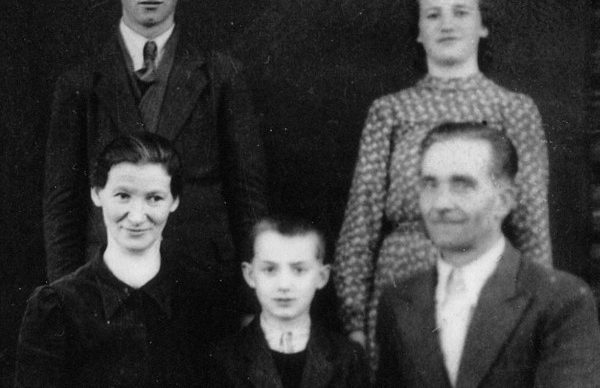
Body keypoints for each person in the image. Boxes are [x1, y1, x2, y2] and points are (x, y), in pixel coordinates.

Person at [333, 0, 551, 368]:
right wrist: (355, 322)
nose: (446, 24)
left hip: (488, 285)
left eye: (461, 12)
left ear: (483, 25)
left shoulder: (514, 110)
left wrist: (537, 316)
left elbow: (532, 226)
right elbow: (360, 222)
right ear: (418, 31)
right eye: (433, 14)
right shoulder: (390, 111)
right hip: (401, 284)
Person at [43, 0, 266, 285]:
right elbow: (62, 206)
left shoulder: (221, 75)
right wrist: (64, 299)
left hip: (202, 281)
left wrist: (252, 294)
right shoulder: (80, 84)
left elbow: (247, 198)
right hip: (106, 283)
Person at [375, 122, 600, 388]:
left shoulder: (560, 300)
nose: (441, 203)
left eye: (462, 185)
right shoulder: (398, 300)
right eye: (430, 184)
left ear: (503, 201)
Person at [16, 133, 230, 387]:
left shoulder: (202, 301)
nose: (137, 217)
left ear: (174, 201)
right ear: (97, 194)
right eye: (123, 195)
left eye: (154, 198)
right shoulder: (57, 308)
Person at [211, 215, 369, 388]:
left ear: (322, 276)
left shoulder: (348, 358)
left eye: (299, 270)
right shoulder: (224, 359)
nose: (284, 285)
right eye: (270, 269)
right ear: (250, 275)